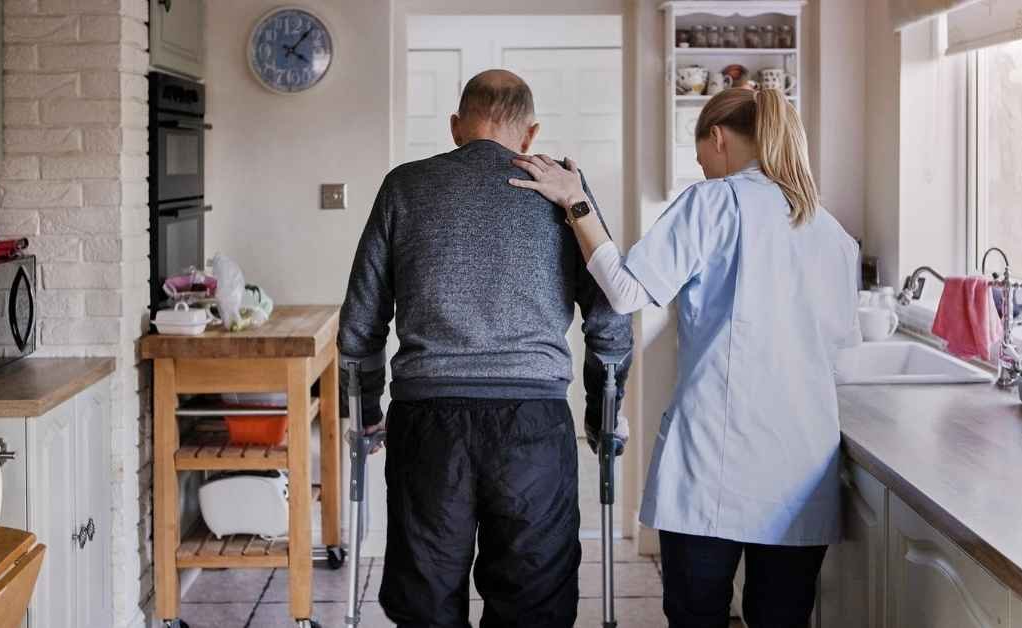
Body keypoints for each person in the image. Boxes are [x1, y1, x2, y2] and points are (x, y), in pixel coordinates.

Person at [509, 87, 858, 628]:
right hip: (800, 466)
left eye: (701, 158)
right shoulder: (832, 232)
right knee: (783, 618)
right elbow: (842, 353)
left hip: (717, 460)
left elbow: (625, 291)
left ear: (717, 138)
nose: (704, 170)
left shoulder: (712, 202)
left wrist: (576, 203)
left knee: (697, 616)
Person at [338, 69, 633, 628]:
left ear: (456, 127)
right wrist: (603, 415)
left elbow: (361, 321)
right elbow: (609, 316)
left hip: (427, 422)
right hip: (533, 422)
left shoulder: (404, 186)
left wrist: (365, 410)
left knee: (426, 602)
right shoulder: (565, 192)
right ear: (530, 132)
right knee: (532, 605)